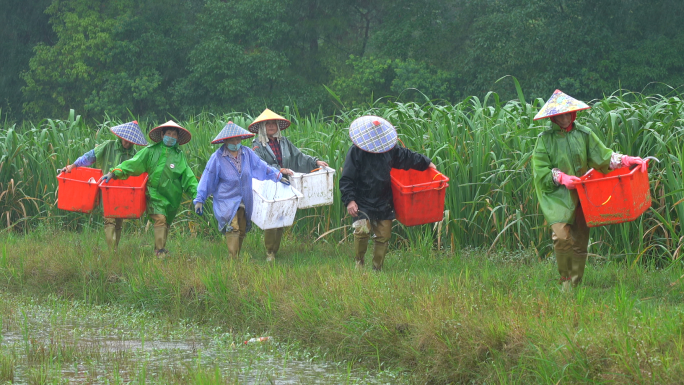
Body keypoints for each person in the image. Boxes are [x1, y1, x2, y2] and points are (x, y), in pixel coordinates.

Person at [532, 90, 648, 290]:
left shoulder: (584, 134)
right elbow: (540, 169)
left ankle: (574, 286)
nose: (565, 117)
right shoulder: (544, 140)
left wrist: (627, 160)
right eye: (560, 114)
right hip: (557, 196)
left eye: (568, 113)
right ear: (553, 117)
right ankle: (565, 280)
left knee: (580, 240)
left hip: (583, 194)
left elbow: (604, 156)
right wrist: (561, 177)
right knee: (561, 237)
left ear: (574, 114)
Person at [339, 115, 437, 271]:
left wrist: (427, 163)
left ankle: (377, 269)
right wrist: (350, 200)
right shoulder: (356, 151)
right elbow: (346, 178)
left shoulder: (390, 149)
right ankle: (359, 263)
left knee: (384, 236)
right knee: (362, 231)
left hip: (384, 199)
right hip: (362, 199)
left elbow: (407, 157)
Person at [100, 120, 199, 257]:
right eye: (168, 133)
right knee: (160, 218)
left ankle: (160, 249)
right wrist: (114, 172)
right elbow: (133, 164)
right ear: (162, 134)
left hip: (172, 197)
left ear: (177, 138)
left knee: (165, 223)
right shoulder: (150, 151)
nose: (171, 136)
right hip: (154, 193)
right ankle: (159, 252)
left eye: (174, 134)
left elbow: (188, 177)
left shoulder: (179, 156)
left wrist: (197, 196)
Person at [194, 121, 287, 259]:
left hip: (244, 197)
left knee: (241, 228)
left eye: (238, 138)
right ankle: (233, 259)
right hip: (226, 199)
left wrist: (277, 175)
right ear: (225, 141)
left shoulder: (247, 153)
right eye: (232, 139)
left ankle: (236, 255)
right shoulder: (218, 158)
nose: (236, 142)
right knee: (233, 227)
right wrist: (200, 199)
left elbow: (261, 166)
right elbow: (208, 178)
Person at [249, 108, 329, 261]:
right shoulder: (257, 145)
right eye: (268, 124)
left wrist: (315, 162)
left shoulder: (284, 142)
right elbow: (259, 165)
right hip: (269, 184)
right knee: (271, 216)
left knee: (281, 216)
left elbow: (298, 157)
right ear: (262, 127)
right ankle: (270, 252)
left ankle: (275, 250)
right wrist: (279, 170)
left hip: (285, 183)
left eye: (274, 124)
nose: (271, 126)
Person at [57, 121, 148, 250]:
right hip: (108, 190)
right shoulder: (108, 146)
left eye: (130, 142)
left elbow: (142, 171)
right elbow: (89, 156)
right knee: (109, 220)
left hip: (124, 192)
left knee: (119, 221)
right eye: (125, 140)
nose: (127, 143)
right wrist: (72, 166)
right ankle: (112, 252)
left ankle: (115, 249)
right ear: (120, 137)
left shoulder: (135, 155)